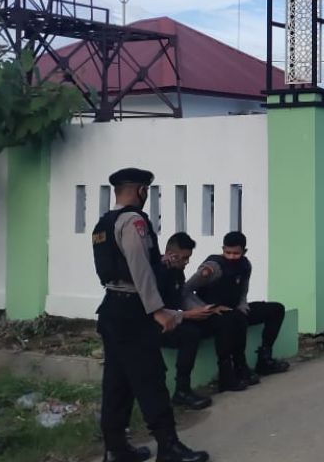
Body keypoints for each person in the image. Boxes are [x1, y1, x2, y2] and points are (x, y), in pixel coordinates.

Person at [91, 167, 208, 462]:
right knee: (150, 377)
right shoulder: (134, 220)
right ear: (140, 190)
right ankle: (168, 447)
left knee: (117, 382)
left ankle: (116, 449)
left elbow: (118, 267)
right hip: (134, 311)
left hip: (112, 308)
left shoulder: (104, 223)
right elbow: (138, 268)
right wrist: (158, 310)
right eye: (146, 191)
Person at [183, 231, 290, 385]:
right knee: (232, 321)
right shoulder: (212, 268)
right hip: (212, 314)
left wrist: (242, 304)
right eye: (228, 252)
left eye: (236, 253)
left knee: (276, 309)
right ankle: (231, 371)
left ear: (244, 251)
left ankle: (265, 359)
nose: (232, 256)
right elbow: (186, 290)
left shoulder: (245, 265)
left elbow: (243, 290)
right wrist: (204, 309)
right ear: (223, 249)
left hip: (235, 310)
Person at [157, 233, 243, 407]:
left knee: (223, 319)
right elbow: (153, 309)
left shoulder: (177, 273)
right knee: (190, 334)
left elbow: (182, 297)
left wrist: (208, 309)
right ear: (170, 254)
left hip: (176, 319)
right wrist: (186, 315)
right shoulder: (156, 272)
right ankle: (182, 390)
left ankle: (227, 373)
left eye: (189, 258)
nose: (187, 262)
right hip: (155, 326)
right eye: (184, 258)